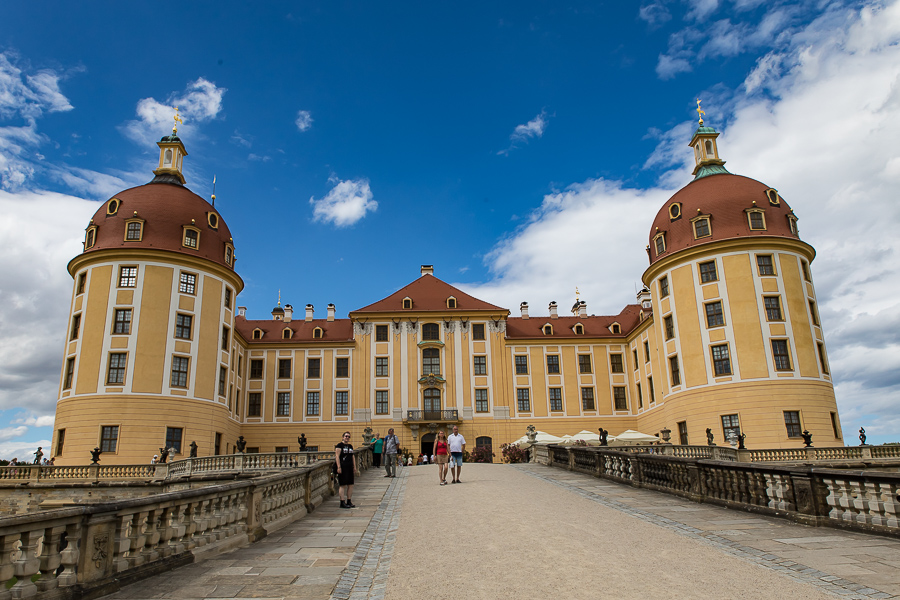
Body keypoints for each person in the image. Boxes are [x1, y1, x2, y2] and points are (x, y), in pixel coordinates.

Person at [334, 431, 359, 509]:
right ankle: (342, 501)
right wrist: (338, 467)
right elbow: (337, 456)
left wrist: (354, 467)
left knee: (351, 485)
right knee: (343, 485)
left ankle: (349, 500)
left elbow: (352, 456)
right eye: (346, 436)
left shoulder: (350, 446)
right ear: (343, 437)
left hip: (349, 467)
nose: (347, 438)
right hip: (343, 467)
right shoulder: (339, 445)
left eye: (348, 437)